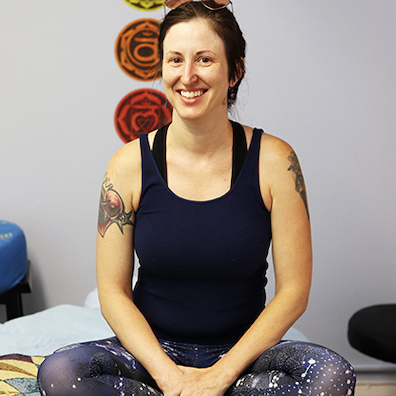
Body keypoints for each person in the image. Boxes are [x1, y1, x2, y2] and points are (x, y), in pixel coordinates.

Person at [37, 1, 356, 395]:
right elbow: (113, 294)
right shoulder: (127, 165)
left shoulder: (276, 160)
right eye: (175, 60)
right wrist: (170, 377)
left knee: (331, 375)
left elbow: (293, 293)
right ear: (162, 68)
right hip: (152, 356)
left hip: (244, 357)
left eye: (204, 59)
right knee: (62, 371)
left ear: (234, 70)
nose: (187, 76)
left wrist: (219, 377)